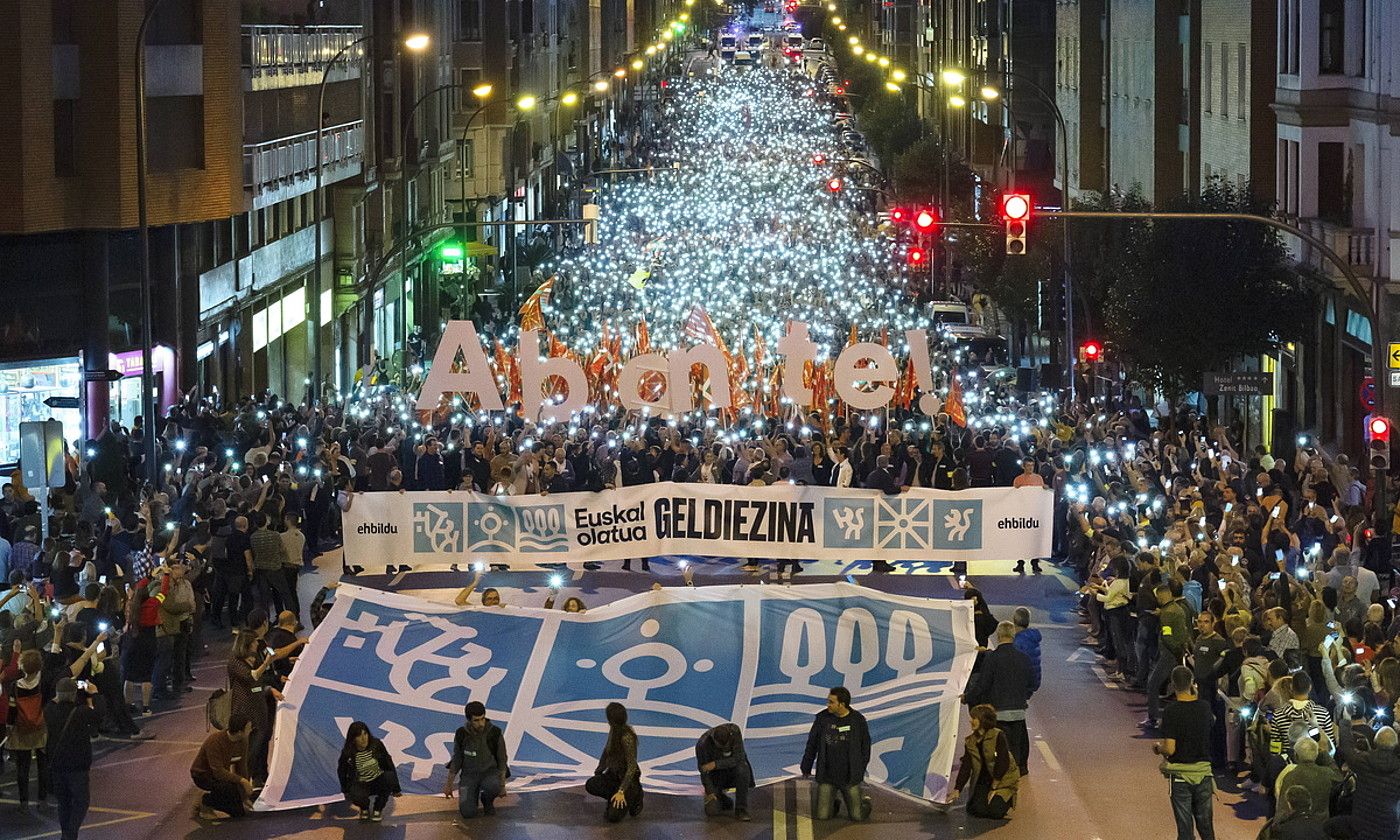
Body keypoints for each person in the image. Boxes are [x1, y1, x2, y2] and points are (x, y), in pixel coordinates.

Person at [964, 621, 1036, 776]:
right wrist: (1023, 697)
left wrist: (968, 697)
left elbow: (983, 684)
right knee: (1016, 746)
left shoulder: (992, 658)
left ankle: (1000, 776)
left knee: (1001, 747)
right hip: (1018, 710)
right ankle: (1015, 773)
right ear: (1013, 635)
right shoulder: (1024, 658)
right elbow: (1032, 682)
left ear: (998, 636)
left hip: (999, 711)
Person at [1155, 666, 1215, 840]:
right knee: (1206, 826)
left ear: (1173, 685)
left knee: (1185, 829)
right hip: (1203, 773)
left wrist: (1158, 748)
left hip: (1181, 775)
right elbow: (1210, 722)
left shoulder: (1171, 711)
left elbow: (1170, 749)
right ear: (1192, 683)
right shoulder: (1204, 707)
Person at [1326, 708, 1400, 840]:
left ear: (1375, 741)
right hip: (1389, 830)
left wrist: (1346, 721)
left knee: (1328, 826)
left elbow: (1347, 748)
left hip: (1361, 827)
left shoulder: (1364, 761)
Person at [800, 686, 872, 821]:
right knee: (822, 816)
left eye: (831, 702)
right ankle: (835, 803)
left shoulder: (858, 720)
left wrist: (860, 769)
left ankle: (866, 803)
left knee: (858, 816)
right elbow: (812, 744)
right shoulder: (822, 719)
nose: (828, 705)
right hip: (827, 776)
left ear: (842, 704)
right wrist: (806, 766)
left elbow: (866, 746)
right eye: (828, 701)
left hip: (849, 778)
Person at [44, 677, 101, 840]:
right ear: (74, 694)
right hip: (78, 766)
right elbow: (99, 713)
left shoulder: (49, 710)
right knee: (81, 802)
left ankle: (66, 834)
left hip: (57, 765)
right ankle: (70, 834)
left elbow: (54, 701)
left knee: (64, 803)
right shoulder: (81, 712)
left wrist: (61, 694)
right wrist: (94, 694)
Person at [947, 703, 1020, 819]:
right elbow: (966, 766)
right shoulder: (970, 742)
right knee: (977, 811)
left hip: (1002, 781)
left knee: (995, 812)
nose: (971, 721)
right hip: (983, 782)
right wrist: (958, 789)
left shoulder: (998, 735)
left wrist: (994, 787)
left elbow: (1003, 762)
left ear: (983, 720)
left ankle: (1007, 798)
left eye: (974, 718)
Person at [443, 700, 510, 819]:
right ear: (469, 720)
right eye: (476, 720)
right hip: (469, 776)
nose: (481, 724)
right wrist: (448, 785)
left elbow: (502, 759)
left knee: (493, 787)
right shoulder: (461, 734)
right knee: (467, 813)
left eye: (483, 719)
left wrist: (502, 785)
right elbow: (457, 759)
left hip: (489, 773)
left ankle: (487, 801)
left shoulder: (495, 733)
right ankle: (471, 798)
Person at [5, 647, 48, 811]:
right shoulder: (42, 683)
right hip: (40, 728)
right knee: (42, 767)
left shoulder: (16, 686)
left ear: (22, 666)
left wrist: (9, 728)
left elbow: (12, 710)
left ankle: (24, 802)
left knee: (22, 768)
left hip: (21, 730)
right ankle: (42, 800)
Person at [586, 701, 643, 822]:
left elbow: (632, 767)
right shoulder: (614, 730)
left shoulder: (627, 737)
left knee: (613, 817)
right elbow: (607, 750)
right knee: (591, 784)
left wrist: (622, 791)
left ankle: (636, 796)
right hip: (613, 775)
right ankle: (613, 797)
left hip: (628, 781)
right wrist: (599, 771)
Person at [191, 713, 255, 821]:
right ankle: (205, 801)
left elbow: (241, 767)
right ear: (240, 732)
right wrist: (243, 781)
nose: (251, 729)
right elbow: (218, 772)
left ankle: (213, 800)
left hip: (220, 775)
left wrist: (244, 797)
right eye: (248, 728)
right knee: (228, 789)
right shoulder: (215, 741)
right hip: (203, 775)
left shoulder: (243, 741)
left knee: (239, 813)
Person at [1144, 584, 1189, 731]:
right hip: (1177, 653)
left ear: (1162, 596)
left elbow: (1167, 636)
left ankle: (1153, 718)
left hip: (1169, 654)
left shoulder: (1167, 614)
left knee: (1153, 684)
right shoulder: (1177, 609)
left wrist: (1175, 651)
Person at [338, 720, 402, 822]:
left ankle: (378, 808)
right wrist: (345, 789)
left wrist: (396, 788)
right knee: (355, 795)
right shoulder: (348, 752)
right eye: (359, 736)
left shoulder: (376, 744)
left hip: (378, 779)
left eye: (365, 734)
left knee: (389, 778)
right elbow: (341, 770)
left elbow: (389, 764)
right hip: (361, 783)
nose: (364, 739)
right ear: (353, 739)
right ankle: (364, 808)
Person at [695, 722, 753, 821]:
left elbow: (739, 758)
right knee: (711, 811)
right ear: (714, 740)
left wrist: (715, 764)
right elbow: (703, 771)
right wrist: (710, 791)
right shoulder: (702, 745)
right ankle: (722, 799)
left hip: (733, 770)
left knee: (743, 769)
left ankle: (741, 809)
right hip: (717, 774)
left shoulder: (734, 731)